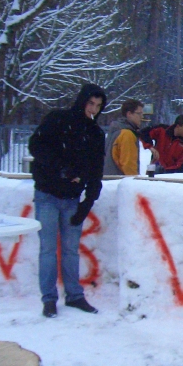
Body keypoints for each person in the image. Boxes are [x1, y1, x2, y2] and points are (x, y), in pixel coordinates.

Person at [28, 83, 107, 317]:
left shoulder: (95, 133)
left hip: (73, 198)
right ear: (82, 101)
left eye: (98, 106)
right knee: (48, 249)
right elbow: (36, 146)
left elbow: (96, 170)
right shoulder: (58, 119)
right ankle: (49, 299)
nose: (93, 109)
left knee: (71, 250)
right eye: (90, 103)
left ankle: (74, 295)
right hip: (47, 194)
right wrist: (62, 168)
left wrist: (88, 201)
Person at [104, 99, 145, 175]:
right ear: (129, 114)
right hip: (120, 180)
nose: (142, 116)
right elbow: (129, 166)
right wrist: (133, 180)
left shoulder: (115, 131)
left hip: (109, 178)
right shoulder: (127, 134)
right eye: (139, 113)